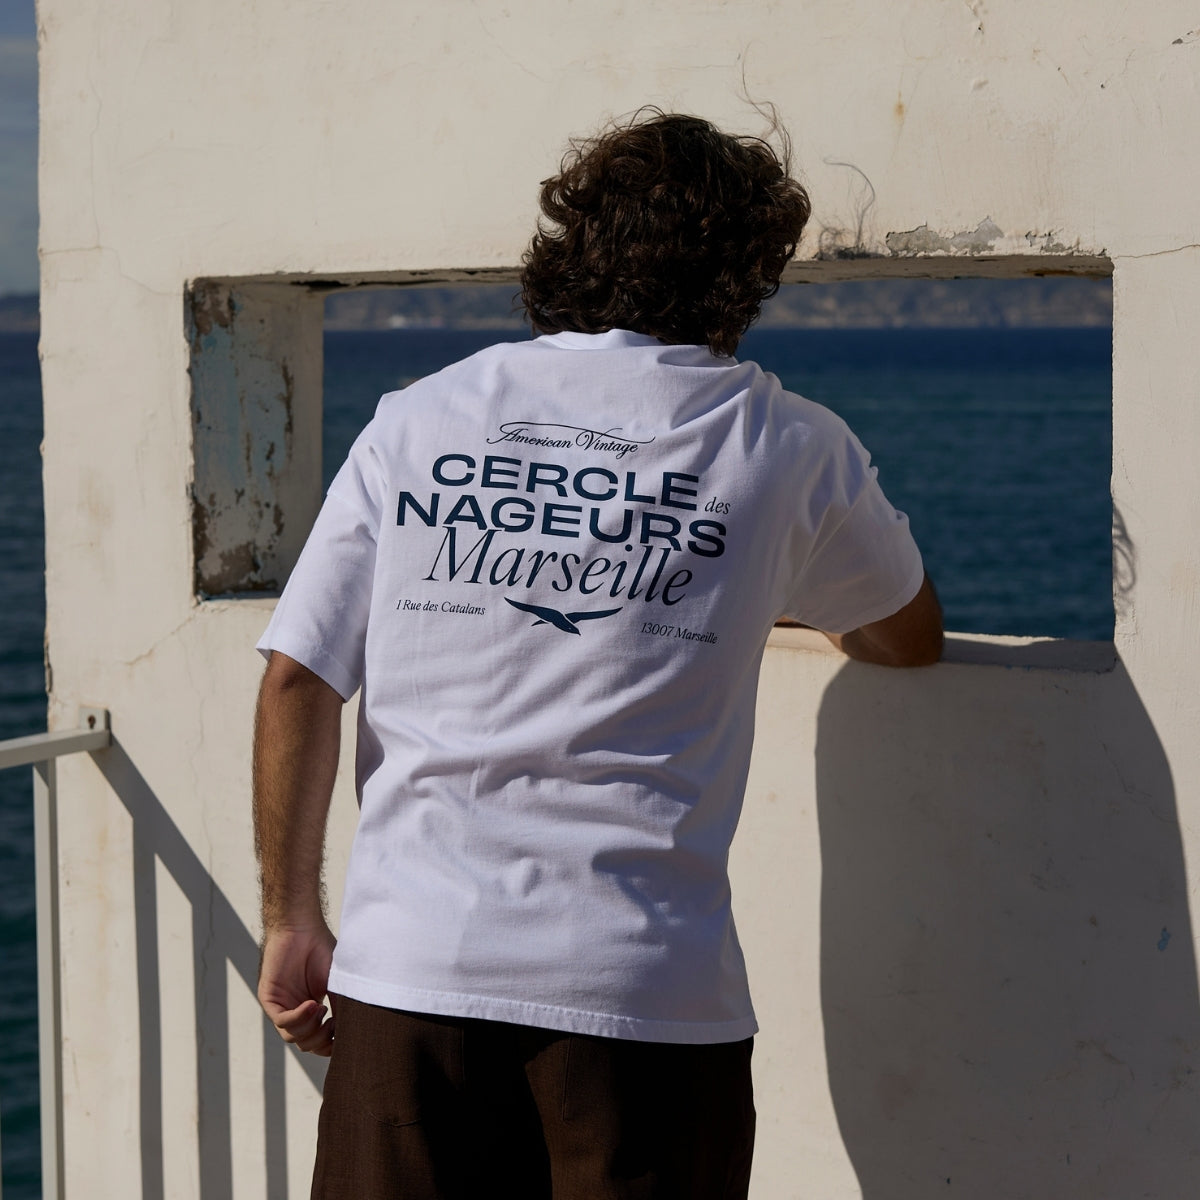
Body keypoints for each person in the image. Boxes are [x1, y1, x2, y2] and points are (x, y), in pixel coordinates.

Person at [253, 109, 943, 1200]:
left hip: (412, 981)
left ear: (571, 245)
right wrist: (738, 589)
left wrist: (293, 918)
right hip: (644, 1002)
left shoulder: (421, 417)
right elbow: (906, 633)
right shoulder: (786, 440)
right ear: (746, 273)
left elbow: (299, 674)